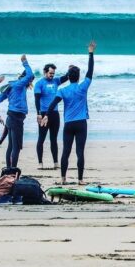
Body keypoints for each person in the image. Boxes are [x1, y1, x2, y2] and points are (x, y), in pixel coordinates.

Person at [41, 41, 96, 185]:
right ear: (78, 77)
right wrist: (90, 53)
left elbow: (53, 104)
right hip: (81, 123)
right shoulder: (83, 87)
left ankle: (62, 178)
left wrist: (46, 115)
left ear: (68, 76)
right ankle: (80, 179)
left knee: (66, 152)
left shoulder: (62, 90)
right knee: (79, 152)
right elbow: (90, 71)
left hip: (69, 124)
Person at [0, 55, 34, 168]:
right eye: (30, 81)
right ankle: (12, 171)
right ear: (24, 79)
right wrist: (25, 62)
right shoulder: (19, 84)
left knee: (11, 146)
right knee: (16, 147)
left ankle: (9, 169)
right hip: (16, 119)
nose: (30, 83)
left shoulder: (11, 86)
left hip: (11, 118)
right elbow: (30, 75)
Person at [34, 63, 69, 169]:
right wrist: (38, 114)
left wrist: (69, 70)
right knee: (41, 138)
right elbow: (37, 100)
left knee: (54, 139)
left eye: (53, 73)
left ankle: (55, 163)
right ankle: (40, 163)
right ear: (45, 72)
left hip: (54, 114)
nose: (52, 75)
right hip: (43, 113)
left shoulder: (56, 81)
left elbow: (66, 77)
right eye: (50, 73)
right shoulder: (39, 83)